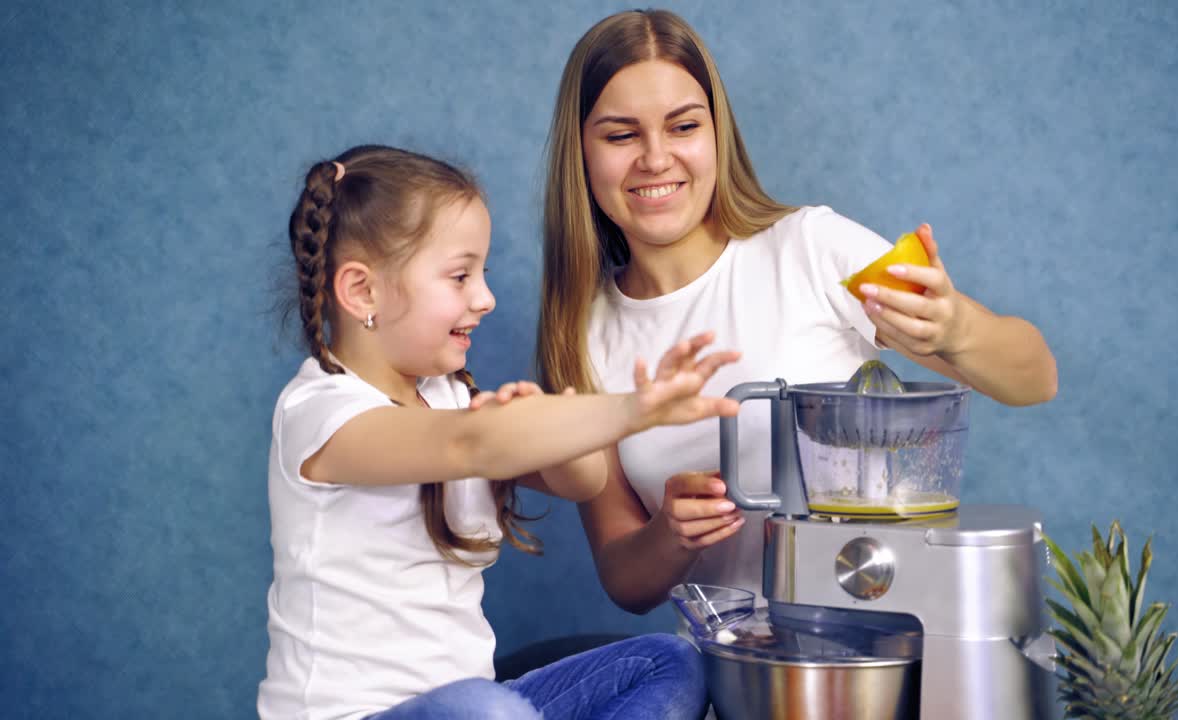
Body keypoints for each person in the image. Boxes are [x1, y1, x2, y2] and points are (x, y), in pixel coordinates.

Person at [535, 9, 1059, 616]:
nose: (656, 159)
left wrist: (958, 330)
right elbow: (626, 581)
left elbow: (1035, 378)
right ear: (581, 151)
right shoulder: (580, 337)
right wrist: (669, 533)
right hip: (740, 673)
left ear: (717, 133)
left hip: (887, 647)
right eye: (621, 135)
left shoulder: (809, 248)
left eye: (683, 127)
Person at [258, 144, 738, 720]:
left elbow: (584, 482)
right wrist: (635, 410)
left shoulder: (447, 396)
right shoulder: (320, 414)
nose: (484, 298)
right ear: (363, 292)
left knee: (671, 661)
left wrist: (544, 429)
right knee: (483, 708)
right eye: (460, 276)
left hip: (476, 707)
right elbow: (466, 445)